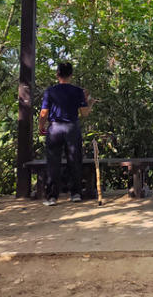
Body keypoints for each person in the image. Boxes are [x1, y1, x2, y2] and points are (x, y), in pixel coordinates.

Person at [38, 61, 91, 206]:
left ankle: (52, 197)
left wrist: (41, 126)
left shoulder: (50, 91)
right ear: (71, 75)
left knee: (53, 162)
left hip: (55, 128)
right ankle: (75, 194)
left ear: (57, 74)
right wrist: (89, 101)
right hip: (72, 127)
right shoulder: (78, 91)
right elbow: (85, 113)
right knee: (74, 160)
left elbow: (44, 113)